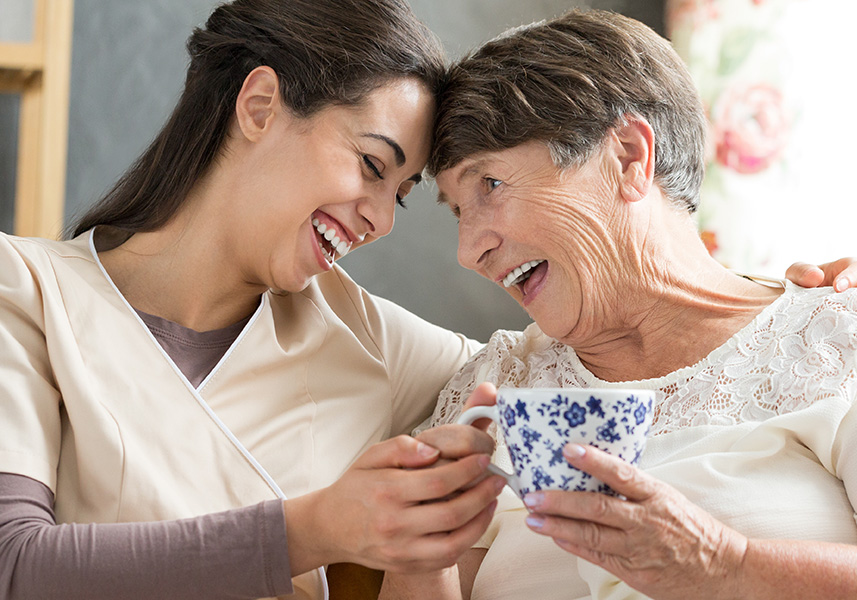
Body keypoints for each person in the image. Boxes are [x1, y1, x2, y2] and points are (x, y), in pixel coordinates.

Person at [0, 1, 507, 598]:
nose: (380, 220)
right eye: (372, 164)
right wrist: (317, 528)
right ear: (260, 105)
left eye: (399, 195)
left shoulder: (368, 341)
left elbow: (551, 365)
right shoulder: (28, 290)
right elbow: (16, 565)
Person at [381, 8, 857, 600]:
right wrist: (420, 550)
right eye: (457, 210)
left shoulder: (837, 335)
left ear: (629, 157)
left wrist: (722, 563)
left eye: (491, 185)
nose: (468, 250)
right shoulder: (496, 385)